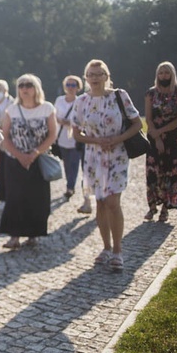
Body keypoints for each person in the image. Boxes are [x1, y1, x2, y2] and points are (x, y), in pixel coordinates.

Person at [72, 59, 143, 271]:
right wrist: (96, 141)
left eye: (99, 74)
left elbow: (137, 123)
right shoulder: (81, 101)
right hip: (94, 156)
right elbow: (76, 133)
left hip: (117, 155)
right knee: (101, 203)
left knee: (113, 202)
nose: (95, 78)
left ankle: (118, 250)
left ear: (106, 76)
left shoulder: (119, 96)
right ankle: (106, 246)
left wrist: (118, 138)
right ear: (86, 78)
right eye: (91, 74)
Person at [0, 74, 58, 249]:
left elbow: (52, 135)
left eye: (29, 85)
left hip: (38, 161)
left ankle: (34, 234)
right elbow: (5, 136)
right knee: (14, 198)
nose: (25, 88)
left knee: (37, 199)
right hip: (14, 161)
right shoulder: (12, 110)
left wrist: (34, 153)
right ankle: (14, 235)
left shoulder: (47, 108)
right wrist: (20, 155)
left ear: (36, 88)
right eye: (21, 85)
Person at [144, 61, 177, 223]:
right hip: (154, 137)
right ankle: (152, 206)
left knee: (170, 172)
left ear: (172, 74)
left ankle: (165, 209)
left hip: (173, 138)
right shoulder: (150, 93)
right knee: (153, 172)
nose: (163, 76)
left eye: (166, 73)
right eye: (161, 73)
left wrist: (161, 133)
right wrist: (156, 137)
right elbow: (148, 117)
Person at [54, 75, 92, 212]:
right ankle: (69, 185)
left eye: (73, 85)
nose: (70, 88)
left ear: (78, 87)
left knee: (75, 164)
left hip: (76, 139)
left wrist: (69, 123)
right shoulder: (59, 100)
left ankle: (70, 187)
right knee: (66, 163)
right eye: (68, 85)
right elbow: (54, 115)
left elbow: (82, 120)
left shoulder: (81, 101)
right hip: (62, 137)